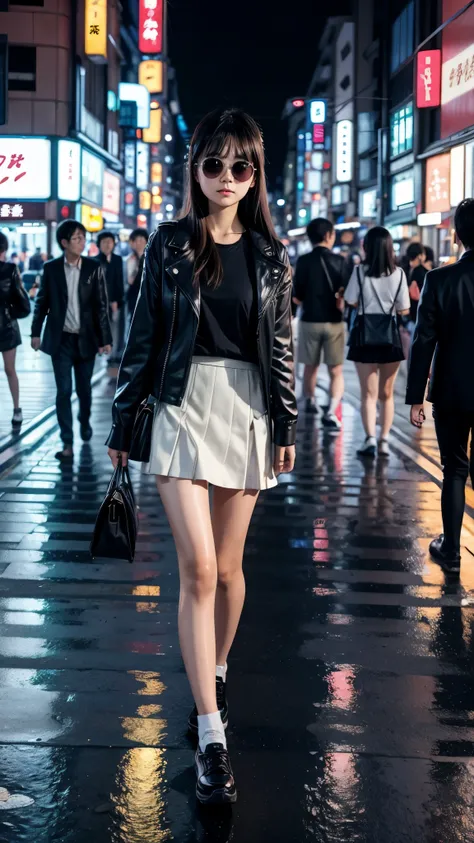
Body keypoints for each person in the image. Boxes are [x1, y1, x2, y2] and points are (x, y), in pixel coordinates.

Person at [106, 108, 297, 804]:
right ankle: (211, 732)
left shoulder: (273, 256)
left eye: (238, 166)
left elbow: (279, 349)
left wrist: (286, 421)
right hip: (181, 405)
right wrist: (125, 419)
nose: (224, 177)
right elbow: (144, 336)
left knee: (232, 570)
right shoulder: (169, 244)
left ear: (255, 176)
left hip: (246, 410)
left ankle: (214, 665)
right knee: (198, 567)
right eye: (212, 164)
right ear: (196, 168)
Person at [407, 199, 474, 575]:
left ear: (458, 235)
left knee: (454, 468)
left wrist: (415, 397)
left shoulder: (440, 279)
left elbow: (423, 341)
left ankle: (450, 551)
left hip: (451, 390)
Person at [31, 220, 112, 461]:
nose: (82, 242)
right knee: (63, 391)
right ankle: (67, 441)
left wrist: (105, 338)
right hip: (61, 341)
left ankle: (84, 422)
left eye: (83, 238)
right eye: (77, 238)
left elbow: (101, 307)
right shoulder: (51, 268)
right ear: (64, 242)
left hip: (86, 340)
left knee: (84, 390)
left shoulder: (93, 267)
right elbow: (41, 303)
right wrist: (35, 332)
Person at [345, 226, 410, 458]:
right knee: (387, 394)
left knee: (368, 394)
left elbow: (351, 300)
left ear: (367, 248)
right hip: (389, 338)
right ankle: (384, 441)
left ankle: (370, 438)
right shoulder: (399, 274)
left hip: (363, 337)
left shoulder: (359, 271)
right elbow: (404, 309)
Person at [292, 217, 351, 429]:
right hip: (334, 322)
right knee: (336, 370)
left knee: (310, 366)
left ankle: (310, 400)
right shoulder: (341, 261)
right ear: (328, 235)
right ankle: (332, 408)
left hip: (309, 320)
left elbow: (296, 295)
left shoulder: (303, 261)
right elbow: (348, 293)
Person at [0, 233, 30, 426]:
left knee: (10, 369)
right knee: (10, 369)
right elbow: (21, 300)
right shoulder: (11, 269)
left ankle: (17, 408)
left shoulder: (11, 269)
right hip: (8, 323)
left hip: (7, 324)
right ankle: (16, 409)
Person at [96, 230, 125, 364]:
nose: (107, 245)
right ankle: (101, 348)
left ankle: (112, 354)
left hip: (115, 301)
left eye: (110, 242)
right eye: (104, 242)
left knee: (114, 327)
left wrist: (116, 300)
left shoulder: (118, 260)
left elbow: (118, 281)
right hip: (99, 301)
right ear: (99, 244)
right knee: (100, 326)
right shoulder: (95, 261)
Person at [125, 228, 149, 318]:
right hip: (134, 296)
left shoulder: (152, 259)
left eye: (141, 240)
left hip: (148, 297)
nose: (139, 243)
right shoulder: (129, 260)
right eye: (136, 240)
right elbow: (130, 281)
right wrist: (138, 263)